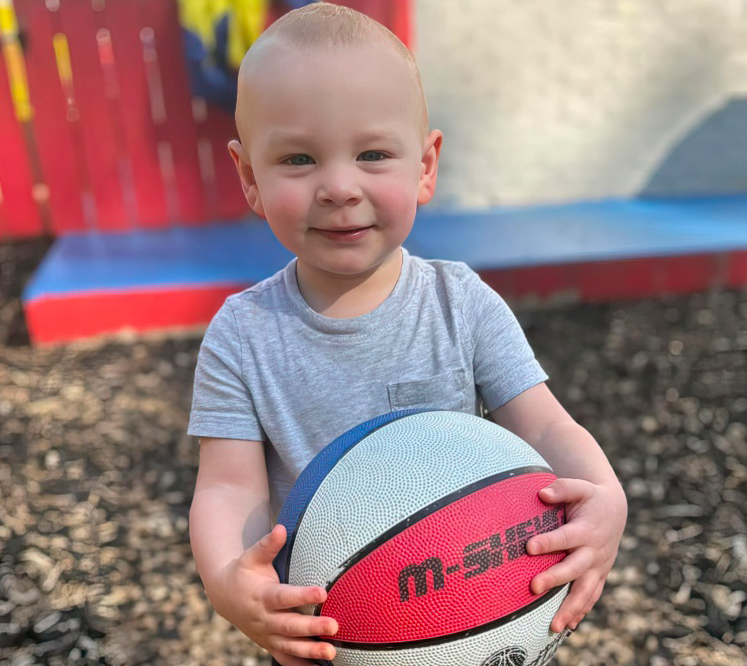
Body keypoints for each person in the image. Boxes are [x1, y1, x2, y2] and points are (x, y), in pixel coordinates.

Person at [187, 4, 628, 665]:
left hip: (477, 612)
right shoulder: (243, 336)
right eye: (299, 158)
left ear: (425, 166)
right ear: (250, 175)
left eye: (372, 154)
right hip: (331, 637)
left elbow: (545, 427)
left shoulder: (463, 305)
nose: (339, 186)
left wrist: (606, 499)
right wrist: (230, 582)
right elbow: (228, 488)